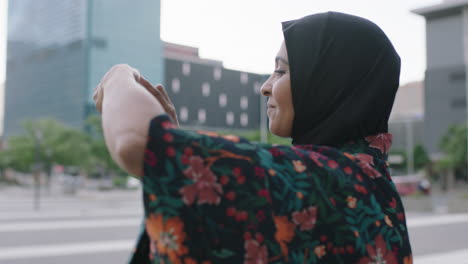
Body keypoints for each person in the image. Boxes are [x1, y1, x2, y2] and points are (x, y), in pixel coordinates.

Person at [93, 11, 412, 264]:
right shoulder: (371, 184)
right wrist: (178, 162)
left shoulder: (319, 181)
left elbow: (137, 142)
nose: (266, 86)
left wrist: (117, 76)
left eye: (282, 71)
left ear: (330, 84)